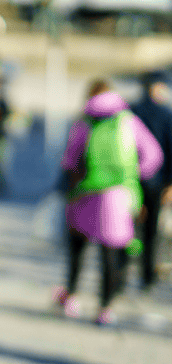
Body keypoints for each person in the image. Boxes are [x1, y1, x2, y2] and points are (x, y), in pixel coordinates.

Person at [53, 80, 162, 325]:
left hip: (85, 193)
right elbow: (153, 155)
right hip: (119, 196)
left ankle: (71, 297)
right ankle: (105, 307)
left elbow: (69, 159)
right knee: (110, 254)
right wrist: (132, 175)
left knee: (78, 249)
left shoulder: (85, 122)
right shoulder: (127, 121)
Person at [129, 70, 172, 290]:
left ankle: (123, 269)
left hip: (131, 179)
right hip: (156, 182)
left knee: (130, 226)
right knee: (151, 231)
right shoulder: (166, 114)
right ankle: (147, 276)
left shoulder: (132, 110)